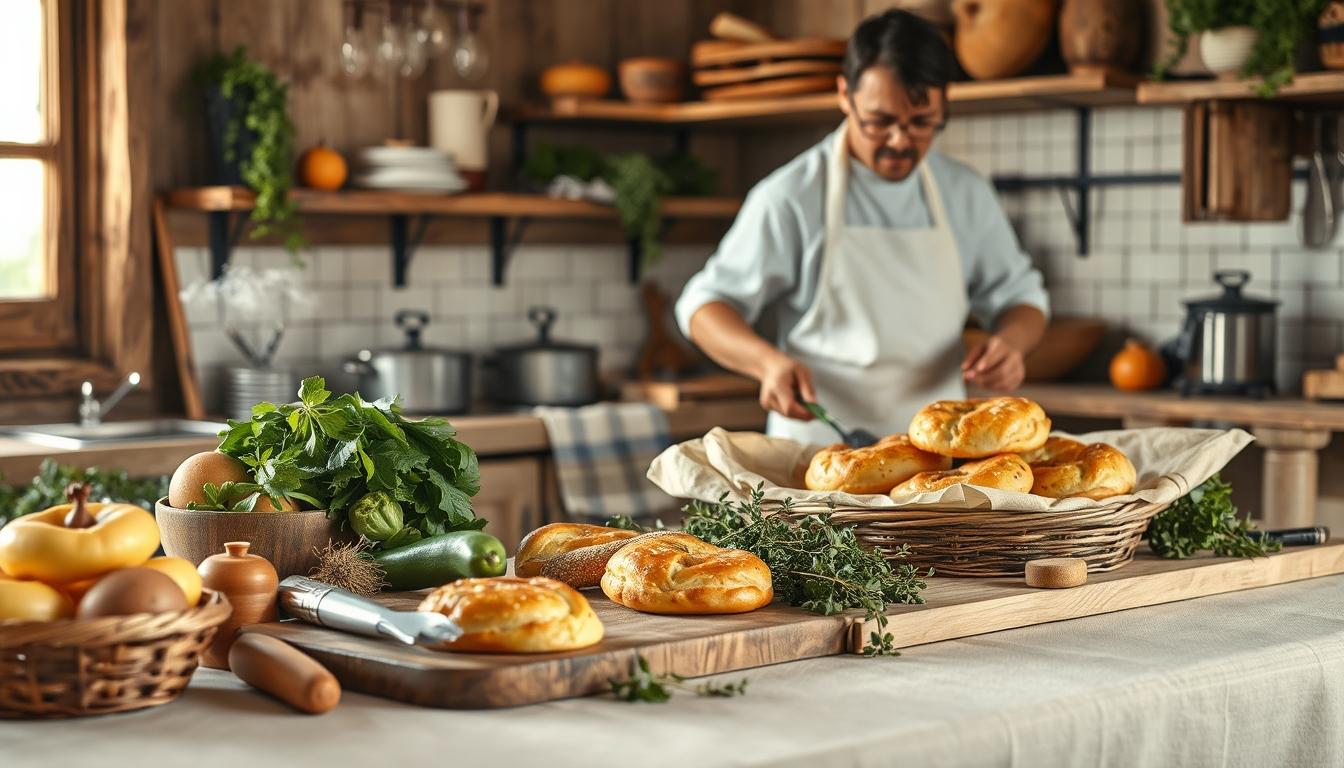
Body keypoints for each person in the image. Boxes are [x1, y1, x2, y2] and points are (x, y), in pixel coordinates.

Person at [675, 9, 1049, 445]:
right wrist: (767, 364)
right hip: (817, 457)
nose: (900, 141)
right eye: (880, 121)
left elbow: (1022, 297)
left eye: (922, 122)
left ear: (944, 105)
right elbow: (704, 306)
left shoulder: (965, 192)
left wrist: (1012, 344)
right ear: (844, 96)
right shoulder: (790, 196)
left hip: (936, 462)